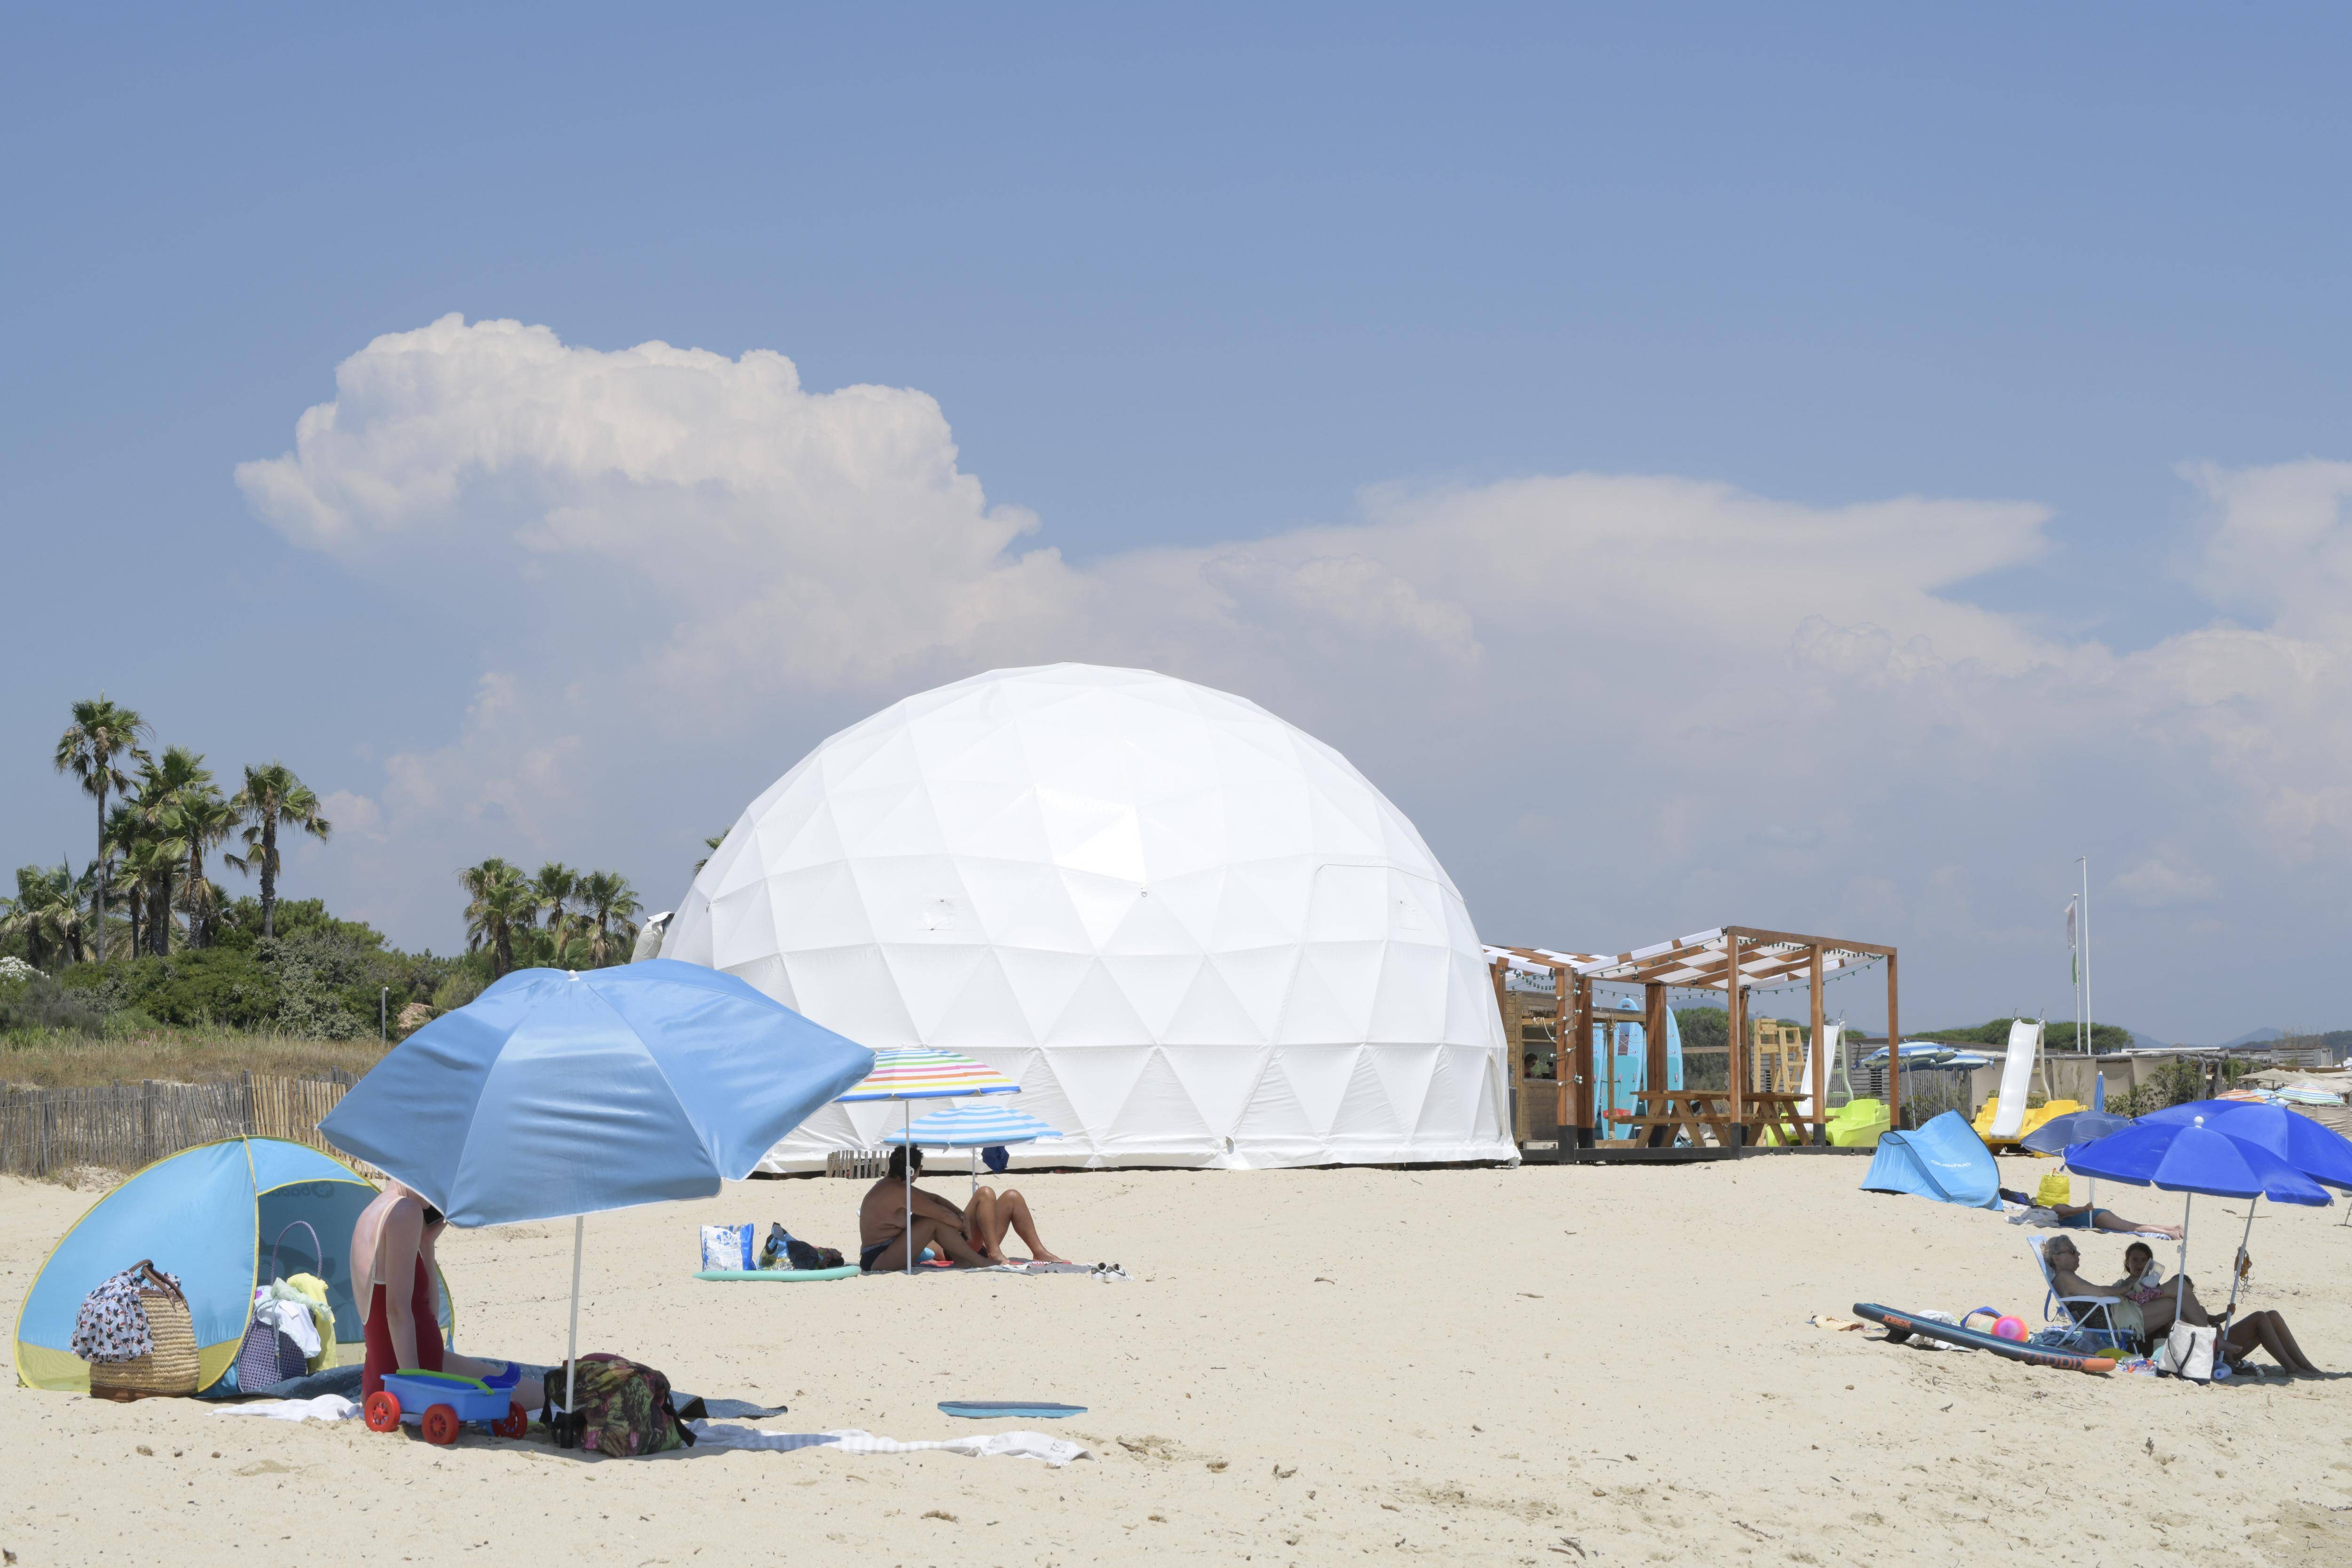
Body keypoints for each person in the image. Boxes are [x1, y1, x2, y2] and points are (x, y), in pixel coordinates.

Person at [351, 1181, 544, 1407]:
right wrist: (416, 1388)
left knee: (535, 1390)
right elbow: (396, 1311)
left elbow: (426, 1316)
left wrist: (427, 1244)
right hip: (412, 1376)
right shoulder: (405, 1211)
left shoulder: (371, 1214)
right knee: (544, 1397)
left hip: (381, 1378)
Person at [2106, 1240, 2322, 1375]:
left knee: (2272, 1315)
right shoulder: (2134, 1291)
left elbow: (2204, 1318)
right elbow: (2169, 1330)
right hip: (2201, 1346)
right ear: (2127, 1262)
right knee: (2260, 1317)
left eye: (2144, 1260)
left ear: (2151, 1264)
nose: (2139, 1264)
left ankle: (2306, 1366)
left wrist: (2220, 1317)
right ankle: (2291, 1367)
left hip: (2212, 1339)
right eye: (2134, 1260)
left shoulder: (2164, 1292)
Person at [857, 1146, 1069, 1271]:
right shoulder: (898, 1191)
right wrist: (963, 1225)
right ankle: (985, 1259)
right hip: (879, 1259)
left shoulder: (898, 1187)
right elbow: (939, 1214)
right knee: (981, 1194)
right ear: (914, 1170)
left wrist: (961, 1215)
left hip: (955, 1243)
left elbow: (936, 1199)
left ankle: (1038, 1252)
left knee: (1012, 1197)